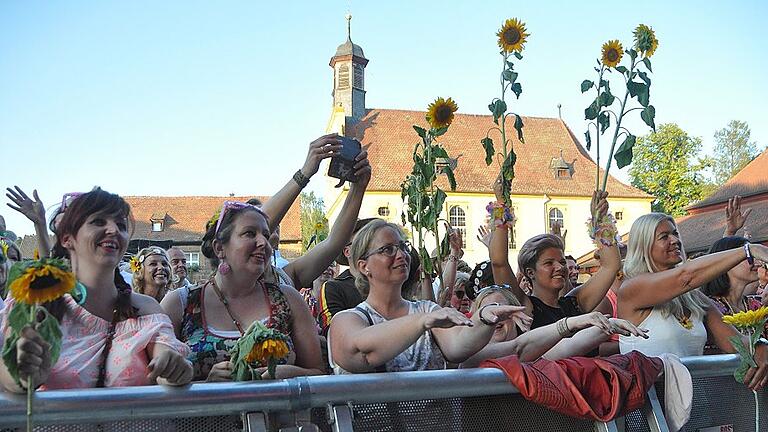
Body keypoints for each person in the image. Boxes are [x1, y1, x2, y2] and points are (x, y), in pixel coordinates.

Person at [0, 187, 192, 391]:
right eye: (98, 222)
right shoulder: (34, 301)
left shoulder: (145, 308)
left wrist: (174, 369)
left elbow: (165, 357)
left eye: (120, 225)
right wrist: (23, 374)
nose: (113, 230)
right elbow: (8, 374)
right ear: (67, 239)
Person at [328, 219, 532, 374]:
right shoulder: (348, 319)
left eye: (403, 247)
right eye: (388, 249)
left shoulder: (428, 310)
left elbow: (459, 346)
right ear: (364, 266)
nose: (401, 255)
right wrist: (421, 322)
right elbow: (359, 351)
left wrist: (485, 317)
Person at [161, 201, 324, 381]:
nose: (264, 242)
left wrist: (290, 375)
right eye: (249, 233)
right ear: (219, 248)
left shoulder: (288, 299)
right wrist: (204, 384)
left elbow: (318, 372)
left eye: (266, 235)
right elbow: (155, 381)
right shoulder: (180, 303)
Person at [618, 213, 768, 390]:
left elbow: (734, 342)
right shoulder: (631, 289)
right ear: (644, 246)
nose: (675, 240)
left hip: (695, 403)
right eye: (664, 237)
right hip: (650, 406)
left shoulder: (694, 298)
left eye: (675, 233)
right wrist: (748, 251)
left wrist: (761, 345)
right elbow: (686, 277)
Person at [459, 286, 647, 368]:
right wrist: (571, 322)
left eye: (502, 310)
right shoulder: (467, 357)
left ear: (516, 316)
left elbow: (570, 345)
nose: (495, 316)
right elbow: (517, 348)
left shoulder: (534, 351)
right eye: (487, 311)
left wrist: (609, 325)